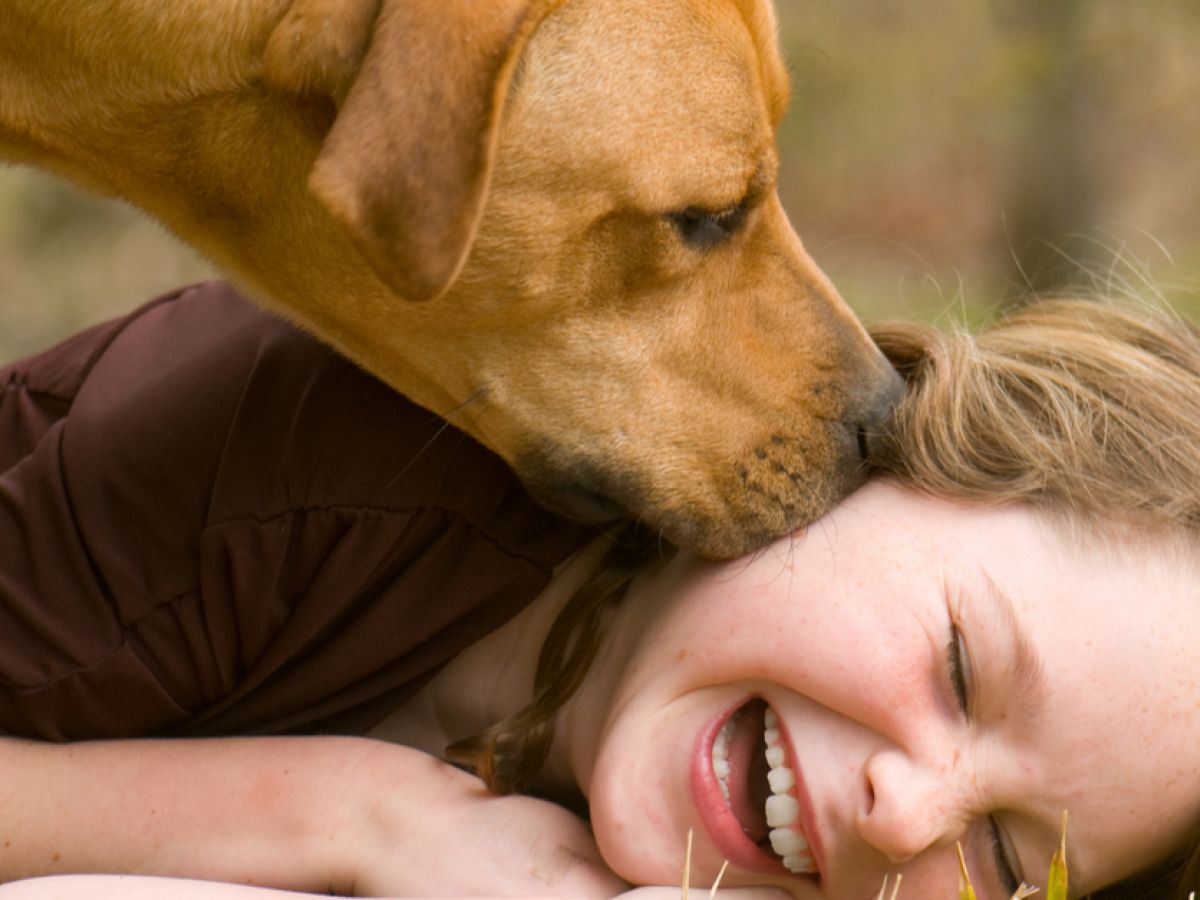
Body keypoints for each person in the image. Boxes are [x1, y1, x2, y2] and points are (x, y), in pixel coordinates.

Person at [0, 281, 1197, 900]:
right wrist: (362, 819)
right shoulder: (339, 429)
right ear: (892, 442)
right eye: (961, 670)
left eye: (1001, 857)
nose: (906, 815)